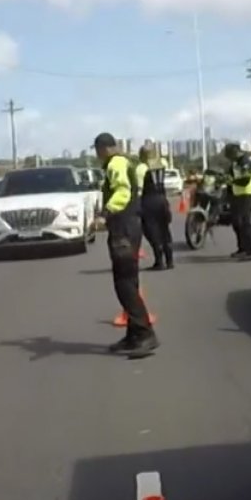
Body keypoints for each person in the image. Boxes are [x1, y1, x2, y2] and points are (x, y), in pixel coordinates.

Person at [94, 133, 160, 358]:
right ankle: (133, 335)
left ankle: (144, 334)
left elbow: (123, 191)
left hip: (124, 228)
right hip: (127, 226)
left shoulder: (116, 163)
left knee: (125, 284)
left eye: (97, 151)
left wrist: (105, 213)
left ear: (102, 149)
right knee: (127, 281)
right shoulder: (122, 162)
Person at [137, 145, 174, 270]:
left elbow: (139, 189)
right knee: (165, 230)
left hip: (149, 201)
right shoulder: (162, 163)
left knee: (151, 231)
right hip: (162, 199)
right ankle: (170, 260)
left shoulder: (142, 168)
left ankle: (159, 261)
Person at [224, 143, 251, 260]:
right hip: (237, 195)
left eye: (229, 154)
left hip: (247, 194)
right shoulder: (235, 163)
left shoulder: (245, 162)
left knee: (246, 223)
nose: (228, 157)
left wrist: (232, 181)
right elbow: (229, 178)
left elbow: (244, 179)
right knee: (237, 223)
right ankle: (242, 248)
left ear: (236, 151)